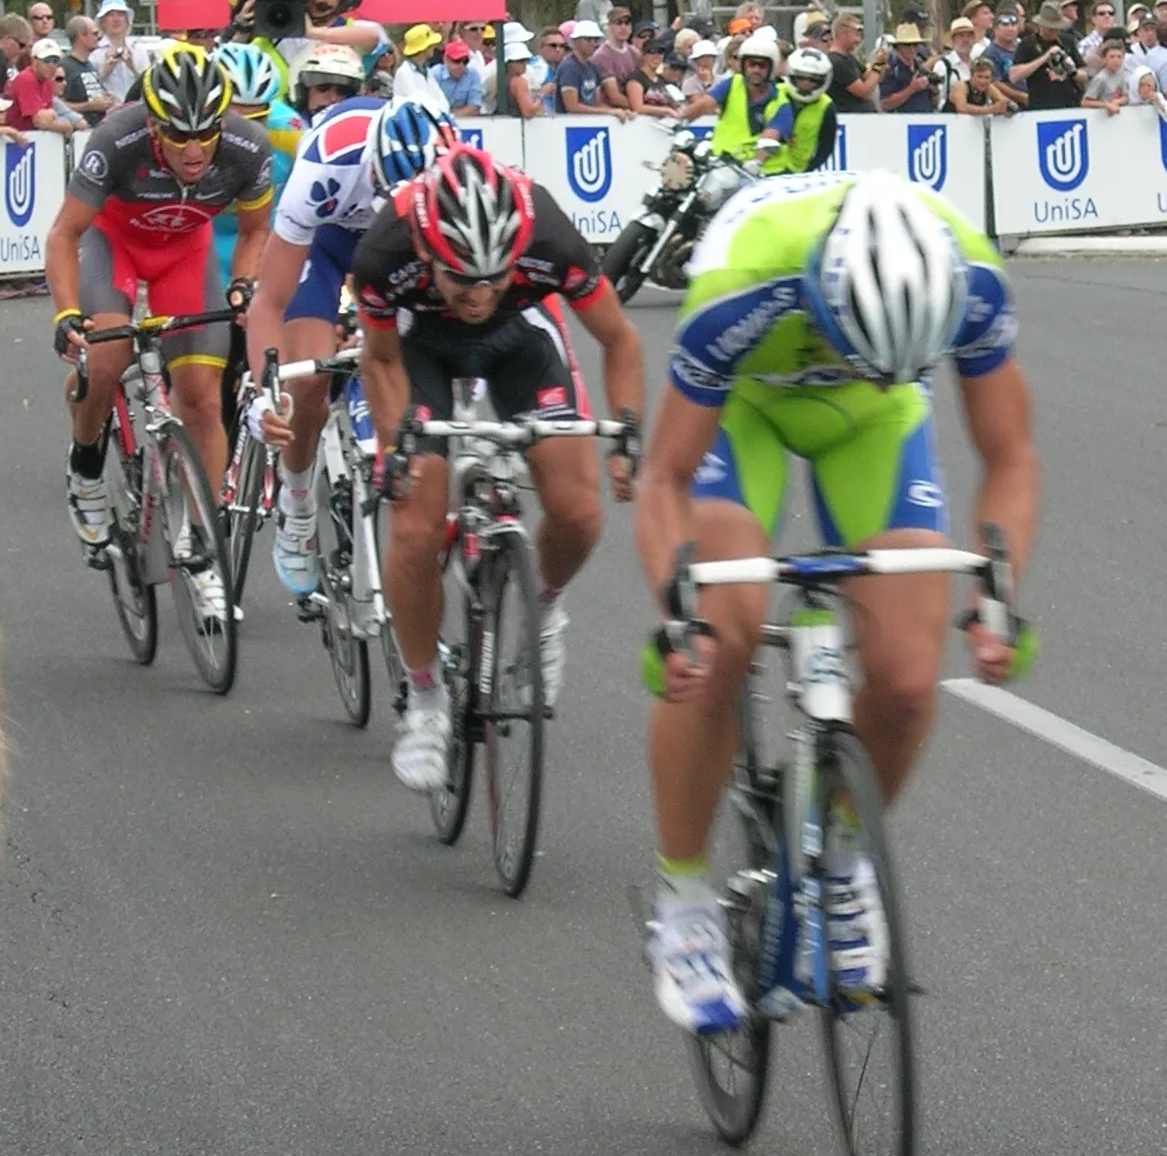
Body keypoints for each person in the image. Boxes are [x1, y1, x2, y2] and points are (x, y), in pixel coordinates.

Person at [635, 169, 1038, 1032]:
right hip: (743, 409)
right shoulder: (744, 280)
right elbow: (664, 474)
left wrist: (1000, 596)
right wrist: (677, 617)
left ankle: (841, 861)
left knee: (902, 680)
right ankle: (682, 900)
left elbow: (1009, 455)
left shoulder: (967, 277)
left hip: (876, 415)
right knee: (722, 637)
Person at [351, 145, 644, 789]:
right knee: (416, 526)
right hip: (418, 347)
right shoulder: (386, 248)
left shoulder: (549, 233)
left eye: (495, 276)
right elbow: (378, 361)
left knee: (578, 510)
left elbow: (619, 338)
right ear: (426, 253)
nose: (480, 294)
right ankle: (425, 698)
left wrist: (627, 431)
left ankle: (546, 612)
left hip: (523, 343)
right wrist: (397, 447)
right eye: (463, 279)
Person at [45, 49, 273, 620]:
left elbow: (255, 229)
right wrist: (67, 314)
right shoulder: (115, 141)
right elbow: (63, 235)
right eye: (178, 135)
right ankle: (87, 466)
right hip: (114, 245)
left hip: (185, 257)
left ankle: (201, 547)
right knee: (106, 358)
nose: (195, 149)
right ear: (152, 125)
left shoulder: (247, 148)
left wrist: (243, 283)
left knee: (200, 396)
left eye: (207, 133)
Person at [245, 99, 453, 596]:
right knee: (308, 379)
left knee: (415, 369)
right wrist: (264, 391)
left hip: (411, 246)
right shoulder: (327, 162)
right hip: (327, 240)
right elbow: (269, 302)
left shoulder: (453, 163)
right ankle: (296, 504)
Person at [211, 44, 304, 285]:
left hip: (268, 233)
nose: (245, 131)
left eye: (257, 119)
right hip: (209, 236)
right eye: (231, 118)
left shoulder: (290, 129)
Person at [681, 29, 781, 157]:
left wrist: (757, 161)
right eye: (751, 64)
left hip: (751, 167)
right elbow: (706, 103)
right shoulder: (731, 83)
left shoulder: (779, 98)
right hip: (719, 161)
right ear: (743, 65)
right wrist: (682, 120)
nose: (756, 70)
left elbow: (771, 136)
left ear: (772, 67)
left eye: (762, 66)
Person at [757, 46, 837, 171]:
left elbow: (826, 147)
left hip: (798, 173)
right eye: (801, 78)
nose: (806, 83)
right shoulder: (773, 93)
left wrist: (808, 170)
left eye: (813, 80)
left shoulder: (827, 106)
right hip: (765, 168)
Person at [1010, 0, 1085, 108]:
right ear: (1041, 25)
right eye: (1051, 28)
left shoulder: (1067, 41)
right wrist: (1045, 58)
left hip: (1070, 105)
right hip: (1041, 106)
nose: (1055, 31)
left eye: (1058, 28)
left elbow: (1084, 74)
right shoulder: (1027, 44)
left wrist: (1073, 70)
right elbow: (1014, 76)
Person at [555, 22, 631, 119]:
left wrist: (621, 112)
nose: (593, 43)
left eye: (596, 39)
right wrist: (609, 111)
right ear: (575, 42)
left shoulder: (593, 67)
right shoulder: (569, 67)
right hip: (569, 126)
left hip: (590, 123)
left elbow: (597, 103)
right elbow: (572, 107)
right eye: (588, 39)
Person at [4, 37, 76, 134]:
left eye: (55, 60)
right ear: (34, 61)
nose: (51, 65)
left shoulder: (48, 81)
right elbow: (39, 121)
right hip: (12, 139)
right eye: (46, 60)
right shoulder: (26, 78)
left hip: (29, 138)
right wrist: (67, 127)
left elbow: (49, 119)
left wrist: (51, 117)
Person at [287, 42, 367, 123]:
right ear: (302, 91)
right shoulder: (281, 126)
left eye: (344, 90)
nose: (333, 98)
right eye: (323, 87)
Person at [91, 0, 148, 106]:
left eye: (120, 14)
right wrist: (106, 71)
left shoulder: (139, 50)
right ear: (102, 22)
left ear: (127, 21)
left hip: (136, 111)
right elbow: (89, 89)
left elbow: (149, 85)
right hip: (109, 113)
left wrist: (132, 67)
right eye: (110, 15)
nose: (116, 19)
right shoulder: (95, 52)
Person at [60, 16, 115, 127]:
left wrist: (105, 98)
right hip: (78, 134)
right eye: (94, 33)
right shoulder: (64, 67)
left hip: (96, 131)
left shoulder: (89, 65)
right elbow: (56, 105)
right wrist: (89, 106)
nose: (98, 37)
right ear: (82, 36)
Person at [393, 25, 451, 116]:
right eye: (430, 44)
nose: (433, 47)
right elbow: (418, 103)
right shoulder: (404, 72)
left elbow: (443, 102)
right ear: (423, 48)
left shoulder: (426, 71)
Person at [878, 23, 936, 112]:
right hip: (900, 123)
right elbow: (885, 103)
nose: (912, 49)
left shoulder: (920, 65)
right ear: (898, 46)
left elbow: (935, 102)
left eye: (915, 44)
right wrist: (912, 88)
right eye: (907, 45)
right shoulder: (890, 67)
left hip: (925, 121)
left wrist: (934, 90)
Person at [827, 13, 878, 113]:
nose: (859, 37)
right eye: (856, 32)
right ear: (843, 33)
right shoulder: (836, 62)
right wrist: (878, 67)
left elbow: (871, 79)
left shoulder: (849, 58)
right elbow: (864, 91)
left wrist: (880, 63)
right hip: (850, 120)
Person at [931, 17, 976, 110]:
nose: (966, 40)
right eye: (961, 36)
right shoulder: (943, 65)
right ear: (953, 39)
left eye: (969, 36)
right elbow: (938, 99)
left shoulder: (978, 64)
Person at [432, 39, 484, 117]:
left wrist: (451, 116)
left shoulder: (473, 74)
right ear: (445, 59)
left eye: (465, 61)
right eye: (457, 60)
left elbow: (474, 107)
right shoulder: (434, 74)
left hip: (466, 124)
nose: (461, 65)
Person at [626, 39, 677, 117]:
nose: (657, 56)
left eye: (660, 52)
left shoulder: (663, 80)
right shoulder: (636, 79)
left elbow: (674, 103)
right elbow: (638, 107)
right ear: (643, 55)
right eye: (652, 52)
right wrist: (667, 111)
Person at [1082, 36, 1129, 114]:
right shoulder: (1100, 78)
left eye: (1119, 57)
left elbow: (1126, 96)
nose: (1116, 60)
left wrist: (1117, 101)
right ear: (1104, 59)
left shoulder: (1121, 74)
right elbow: (1085, 102)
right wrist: (1106, 105)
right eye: (1112, 57)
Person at [496, 36, 542, 117]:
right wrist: (542, 95)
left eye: (526, 60)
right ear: (508, 62)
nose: (524, 64)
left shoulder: (501, 79)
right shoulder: (519, 82)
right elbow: (528, 112)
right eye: (519, 61)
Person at [528, 26, 566, 113]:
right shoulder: (537, 68)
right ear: (541, 48)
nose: (558, 49)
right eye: (553, 45)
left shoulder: (561, 66)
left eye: (562, 46)